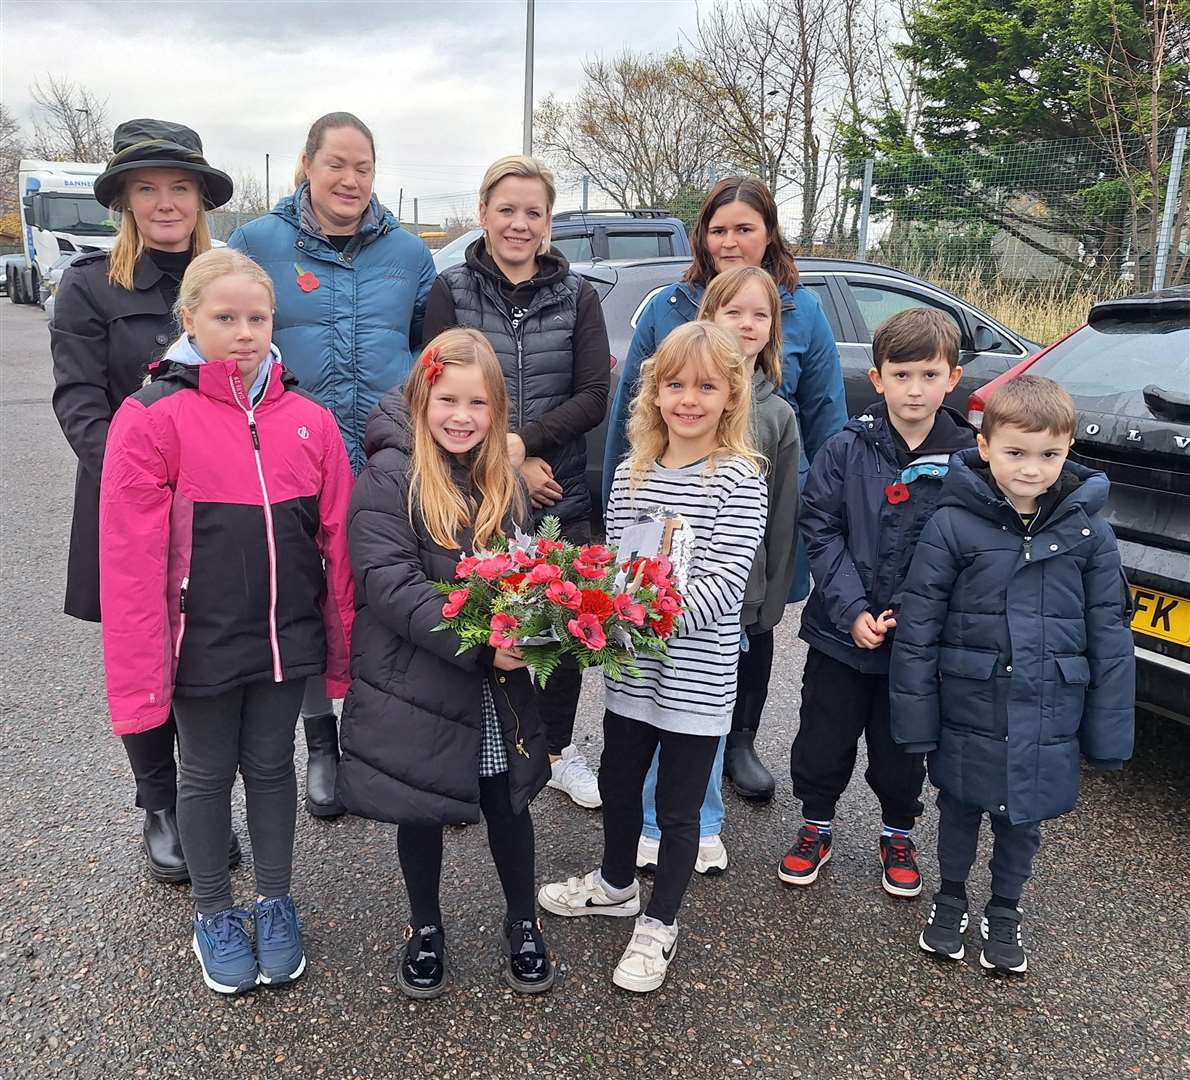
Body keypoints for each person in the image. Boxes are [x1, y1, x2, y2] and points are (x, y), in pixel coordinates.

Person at [98, 249, 355, 995]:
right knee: (205, 774)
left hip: (285, 637)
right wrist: (146, 667)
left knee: (272, 768)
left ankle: (274, 902)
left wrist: (341, 644)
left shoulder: (309, 421)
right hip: (199, 643)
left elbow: (335, 541)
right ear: (189, 321)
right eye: (225, 318)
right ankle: (214, 911)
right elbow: (130, 562)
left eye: (257, 318)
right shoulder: (152, 417)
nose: (244, 333)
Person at [538, 322, 767, 994]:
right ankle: (615, 886)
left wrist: (640, 623)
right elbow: (617, 566)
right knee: (619, 780)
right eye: (675, 385)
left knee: (678, 806)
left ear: (730, 394)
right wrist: (601, 614)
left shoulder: (740, 479)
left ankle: (660, 921)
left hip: (695, 673)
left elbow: (726, 585)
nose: (688, 399)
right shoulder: (632, 472)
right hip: (632, 673)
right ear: (654, 392)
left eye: (705, 386)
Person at [602, 176, 845, 800]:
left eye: (746, 228)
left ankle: (737, 739)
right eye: (719, 229)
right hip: (673, 494)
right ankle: (647, 732)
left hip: (757, 496)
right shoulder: (668, 307)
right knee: (666, 615)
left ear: (769, 235)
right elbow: (634, 411)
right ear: (701, 237)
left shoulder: (803, 311)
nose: (732, 241)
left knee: (751, 622)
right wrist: (616, 497)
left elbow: (825, 419)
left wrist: (816, 528)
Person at [336, 328, 555, 999]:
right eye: (447, 400)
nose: (461, 416)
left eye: (478, 404)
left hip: (497, 688)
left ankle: (523, 921)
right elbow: (387, 582)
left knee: (508, 804)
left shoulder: (503, 481)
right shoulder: (390, 476)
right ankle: (424, 926)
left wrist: (543, 620)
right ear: (421, 398)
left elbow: (530, 566)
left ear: (497, 413)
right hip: (419, 682)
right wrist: (482, 638)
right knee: (420, 808)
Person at [230, 112, 437, 818]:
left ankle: (376, 740)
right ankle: (320, 742)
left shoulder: (410, 256)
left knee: (383, 597)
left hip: (386, 462)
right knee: (307, 601)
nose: (350, 180)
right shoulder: (258, 242)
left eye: (364, 167)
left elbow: (428, 356)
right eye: (336, 164)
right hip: (292, 463)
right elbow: (231, 336)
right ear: (307, 166)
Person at [891, 376, 1134, 972]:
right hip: (969, 704)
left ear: (1069, 448)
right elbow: (919, 625)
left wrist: (1107, 734)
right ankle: (950, 899)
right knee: (959, 808)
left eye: (1049, 455)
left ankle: (1005, 909)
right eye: (1016, 453)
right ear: (986, 442)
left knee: (1022, 818)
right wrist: (917, 721)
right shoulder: (953, 525)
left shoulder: (1088, 533)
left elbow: (1110, 636)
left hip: (1048, 707)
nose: (1031, 469)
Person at [50, 118, 239, 883]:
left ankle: (202, 798)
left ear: (200, 198)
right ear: (125, 200)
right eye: (148, 188)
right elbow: (79, 405)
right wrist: (149, 487)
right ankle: (159, 803)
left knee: (205, 652)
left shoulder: (228, 280)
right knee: (143, 654)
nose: (166, 202)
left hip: (219, 509)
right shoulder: (90, 285)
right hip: (131, 509)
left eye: (180, 187)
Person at [423, 155, 610, 811]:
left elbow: (594, 395)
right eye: (506, 209)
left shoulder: (578, 296)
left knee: (560, 629)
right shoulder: (451, 292)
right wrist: (503, 464)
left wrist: (527, 444)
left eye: (533, 212)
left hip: (561, 494)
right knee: (482, 623)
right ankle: (479, 751)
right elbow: (436, 396)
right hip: (475, 496)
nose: (519, 223)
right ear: (483, 214)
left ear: (549, 222)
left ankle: (558, 750)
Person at [779, 308, 976, 899]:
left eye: (928, 374)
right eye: (901, 374)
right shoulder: (846, 447)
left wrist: (918, 619)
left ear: (953, 379)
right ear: (877, 377)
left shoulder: (971, 460)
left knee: (901, 749)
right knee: (822, 738)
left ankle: (897, 832)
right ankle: (816, 823)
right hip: (840, 635)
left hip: (917, 647)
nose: (914, 389)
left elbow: (967, 550)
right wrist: (852, 611)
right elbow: (821, 529)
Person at [636, 267, 800, 876]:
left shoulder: (777, 416)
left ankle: (702, 823)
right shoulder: (666, 418)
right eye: (734, 313)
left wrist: (773, 595)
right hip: (652, 605)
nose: (747, 325)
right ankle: (657, 821)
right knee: (652, 710)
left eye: (760, 315)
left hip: (726, 602)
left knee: (702, 717)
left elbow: (781, 515)